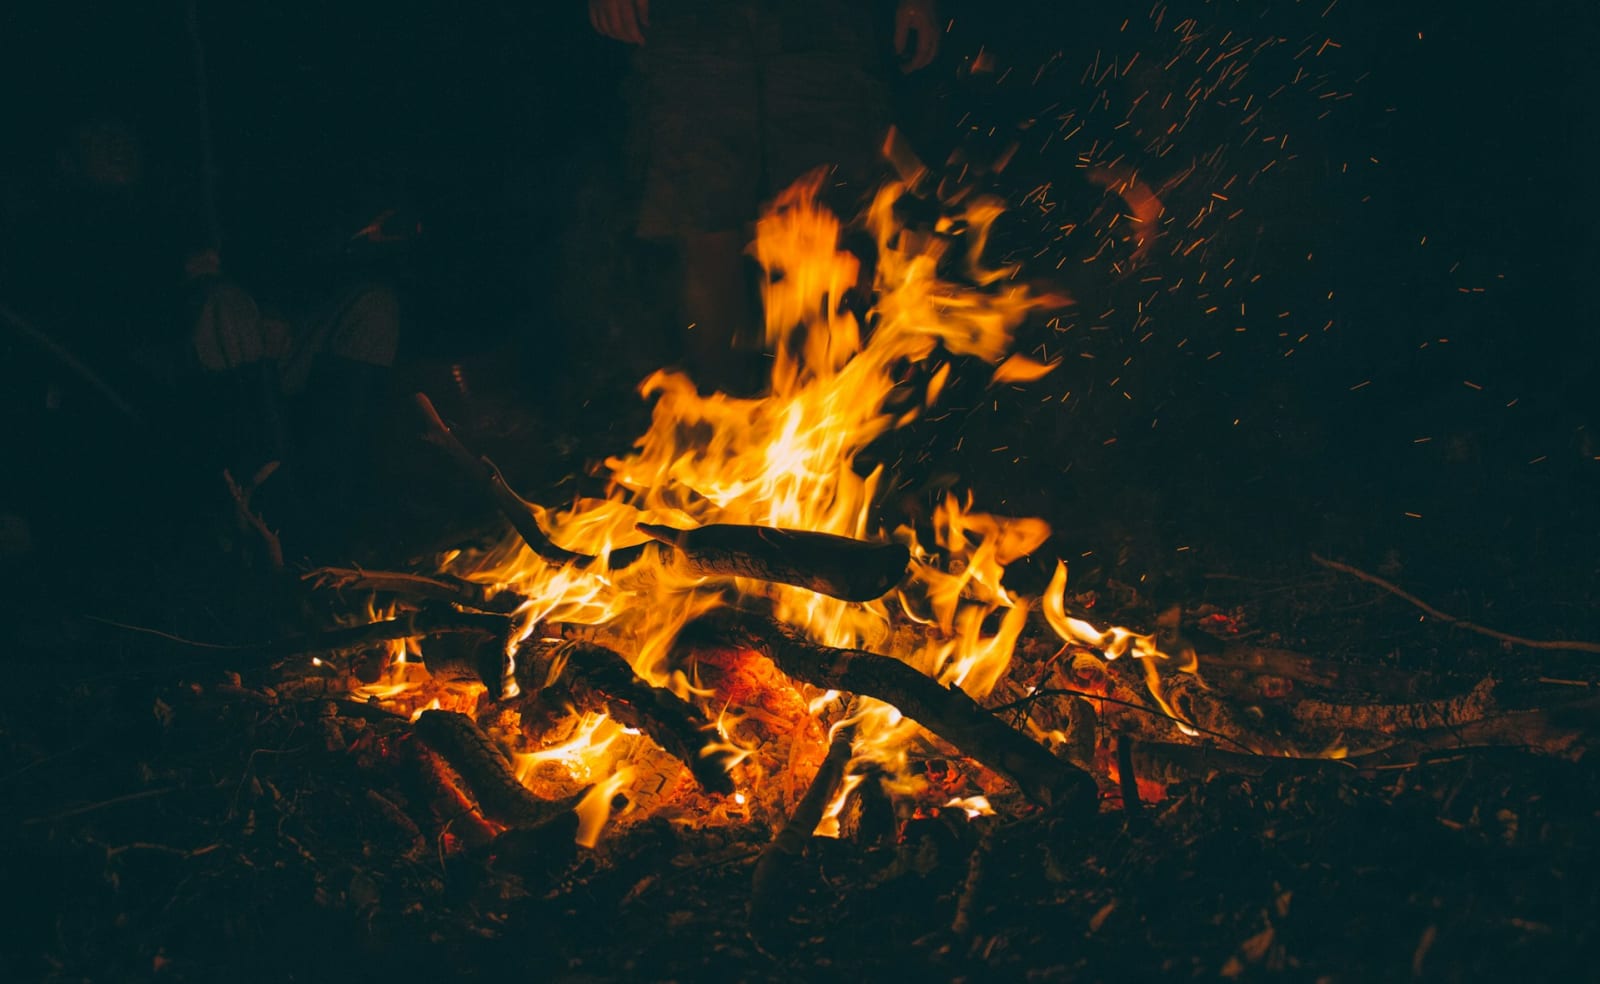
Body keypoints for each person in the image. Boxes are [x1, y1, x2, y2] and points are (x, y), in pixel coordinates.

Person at [587, 0, 940, 392]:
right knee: (704, 217)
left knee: (829, 204)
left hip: (824, 16)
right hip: (691, 17)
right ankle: (724, 419)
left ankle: (828, 410)